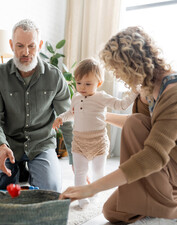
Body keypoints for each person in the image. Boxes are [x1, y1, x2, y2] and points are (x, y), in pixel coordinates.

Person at [60, 26, 177, 225]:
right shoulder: (149, 91)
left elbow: (152, 154)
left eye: (117, 69)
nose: (116, 75)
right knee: (112, 211)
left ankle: (169, 222)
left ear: (131, 64)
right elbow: (143, 125)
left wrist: (91, 189)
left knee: (136, 125)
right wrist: (99, 116)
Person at [0, 19, 73, 193]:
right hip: (7, 145)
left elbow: (68, 118)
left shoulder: (55, 77)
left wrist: (74, 158)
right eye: (20, 46)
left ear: (39, 45)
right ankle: (15, 171)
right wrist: (1, 146)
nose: (26, 52)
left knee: (51, 190)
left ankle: (27, 171)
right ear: (11, 45)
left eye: (31, 46)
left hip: (41, 145)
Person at [52, 58, 137, 208]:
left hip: (98, 141)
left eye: (88, 84)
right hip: (79, 141)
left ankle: (95, 193)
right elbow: (72, 113)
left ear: (98, 83)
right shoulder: (76, 97)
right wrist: (60, 118)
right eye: (79, 83)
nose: (82, 87)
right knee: (80, 171)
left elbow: (121, 105)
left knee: (98, 171)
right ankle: (81, 196)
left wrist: (134, 93)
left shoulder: (101, 97)